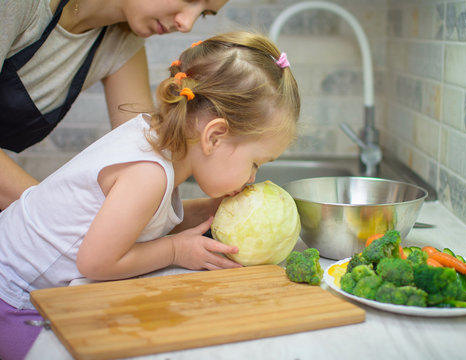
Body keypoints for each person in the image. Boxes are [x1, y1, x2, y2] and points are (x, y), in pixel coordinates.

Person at [0, 31, 300, 359]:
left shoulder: (155, 141)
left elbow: (146, 221)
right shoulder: (148, 174)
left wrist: (211, 209)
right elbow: (96, 261)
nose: (253, 177)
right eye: (255, 162)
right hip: (12, 296)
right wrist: (174, 250)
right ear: (214, 136)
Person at [0, 0, 229, 211]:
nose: (186, 24)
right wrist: (51, 214)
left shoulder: (121, 41)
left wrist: (210, 209)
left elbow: (147, 158)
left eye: (205, 14)